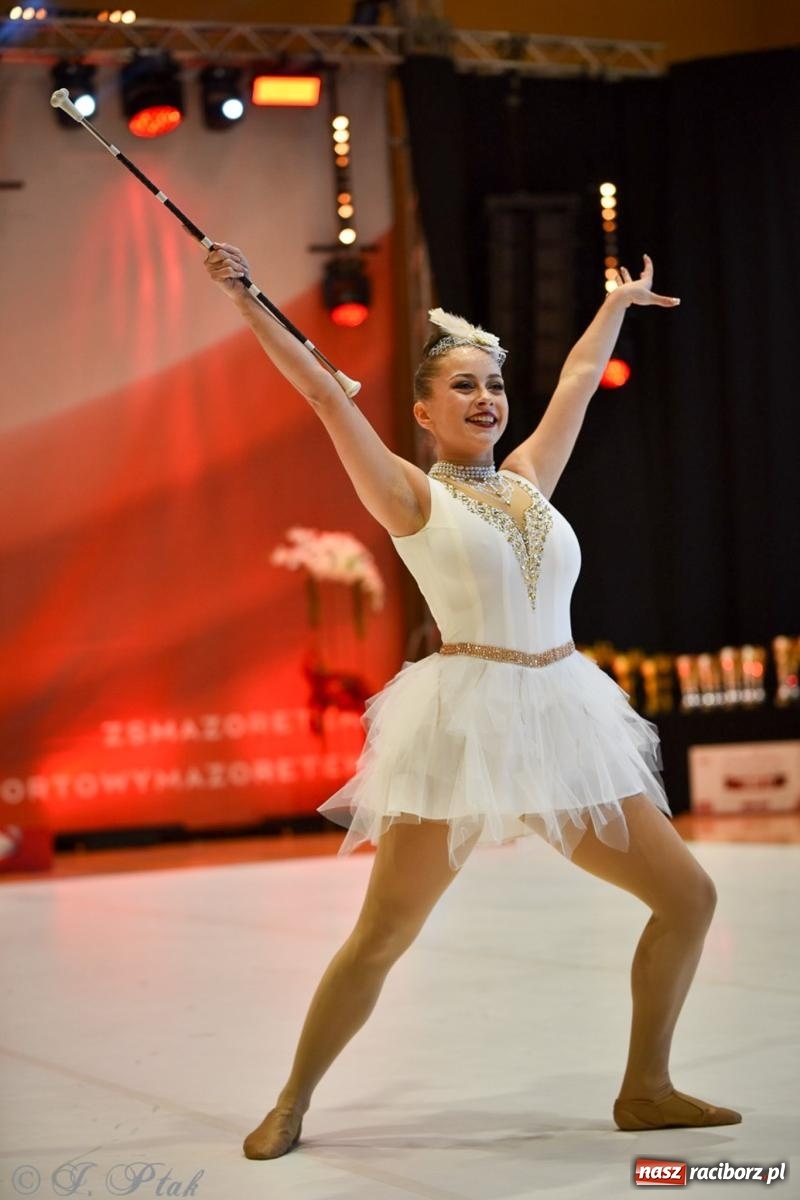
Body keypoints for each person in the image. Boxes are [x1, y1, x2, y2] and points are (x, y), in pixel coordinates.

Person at [203, 244, 741, 1159]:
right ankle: (293, 1100)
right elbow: (325, 396)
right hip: (464, 728)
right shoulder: (409, 495)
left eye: (492, 383)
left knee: (689, 898)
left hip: (565, 718)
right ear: (423, 412)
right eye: (462, 386)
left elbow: (577, 376)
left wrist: (616, 304)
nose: (485, 397)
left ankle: (646, 1088)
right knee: (382, 936)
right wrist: (248, 296)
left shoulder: (531, 479)